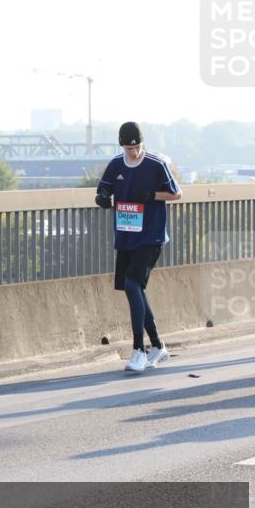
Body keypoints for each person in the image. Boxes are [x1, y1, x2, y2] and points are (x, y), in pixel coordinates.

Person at [95, 121, 181, 372]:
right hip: (126, 235)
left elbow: (177, 193)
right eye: (129, 148)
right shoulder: (116, 165)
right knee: (134, 290)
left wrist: (153, 196)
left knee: (133, 284)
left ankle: (138, 350)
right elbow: (103, 190)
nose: (134, 152)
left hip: (151, 236)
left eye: (137, 147)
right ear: (122, 145)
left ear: (142, 143)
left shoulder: (156, 164)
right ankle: (157, 346)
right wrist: (101, 199)